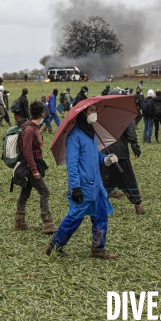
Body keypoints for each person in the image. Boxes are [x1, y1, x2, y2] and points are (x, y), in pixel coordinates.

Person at [44, 103, 117, 259]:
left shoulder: (92, 133)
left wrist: (106, 160)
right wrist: (75, 187)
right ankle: (54, 246)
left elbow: (95, 156)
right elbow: (72, 164)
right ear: (83, 114)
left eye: (95, 110)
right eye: (91, 110)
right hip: (83, 186)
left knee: (101, 215)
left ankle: (98, 249)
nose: (94, 113)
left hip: (96, 186)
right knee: (74, 219)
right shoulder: (74, 136)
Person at [12, 101, 58, 234]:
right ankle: (47, 223)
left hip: (33, 164)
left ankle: (19, 222)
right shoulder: (29, 130)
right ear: (42, 113)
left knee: (25, 192)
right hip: (29, 166)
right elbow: (27, 152)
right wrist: (34, 170)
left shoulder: (34, 128)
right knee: (45, 192)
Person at [101, 121, 145, 214]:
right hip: (121, 155)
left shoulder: (102, 117)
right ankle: (138, 204)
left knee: (104, 179)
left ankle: (101, 206)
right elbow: (131, 136)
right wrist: (136, 149)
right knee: (128, 179)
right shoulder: (125, 117)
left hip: (105, 154)